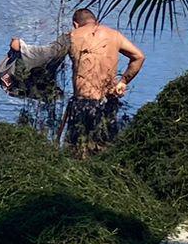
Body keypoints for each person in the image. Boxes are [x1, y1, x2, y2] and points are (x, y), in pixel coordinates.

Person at [62, 8, 145, 150]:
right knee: (104, 148)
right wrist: (123, 82)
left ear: (76, 24)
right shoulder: (115, 35)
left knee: (75, 150)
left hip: (82, 103)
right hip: (106, 101)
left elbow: (49, 56)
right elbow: (139, 56)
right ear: (96, 21)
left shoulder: (73, 35)